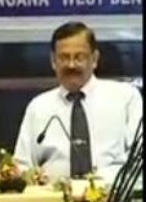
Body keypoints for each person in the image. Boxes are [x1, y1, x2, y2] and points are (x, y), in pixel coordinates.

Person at [14, 22, 143, 182]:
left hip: (112, 194)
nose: (71, 65)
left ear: (94, 59)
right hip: (52, 194)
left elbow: (139, 161)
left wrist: (101, 183)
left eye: (79, 57)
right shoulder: (38, 107)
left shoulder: (125, 98)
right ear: (53, 61)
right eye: (64, 57)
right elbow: (22, 166)